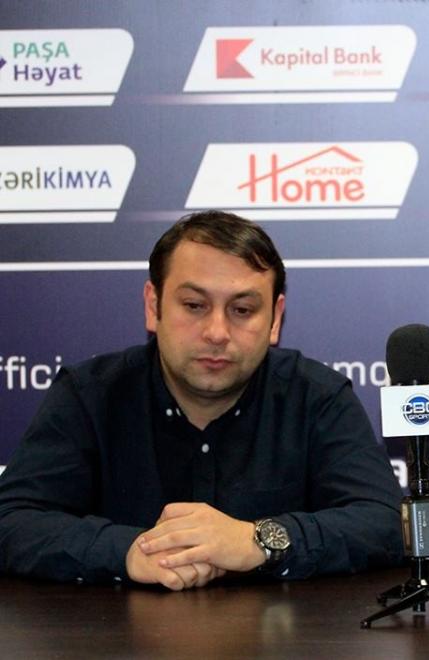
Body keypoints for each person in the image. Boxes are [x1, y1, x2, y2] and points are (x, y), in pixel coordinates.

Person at [0, 210, 403, 590]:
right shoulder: (90, 395)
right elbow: (11, 520)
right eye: (194, 306)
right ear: (153, 306)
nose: (216, 332)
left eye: (242, 309)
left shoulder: (316, 397)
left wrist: (260, 541)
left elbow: (387, 524)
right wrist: (128, 551)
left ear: (275, 318)